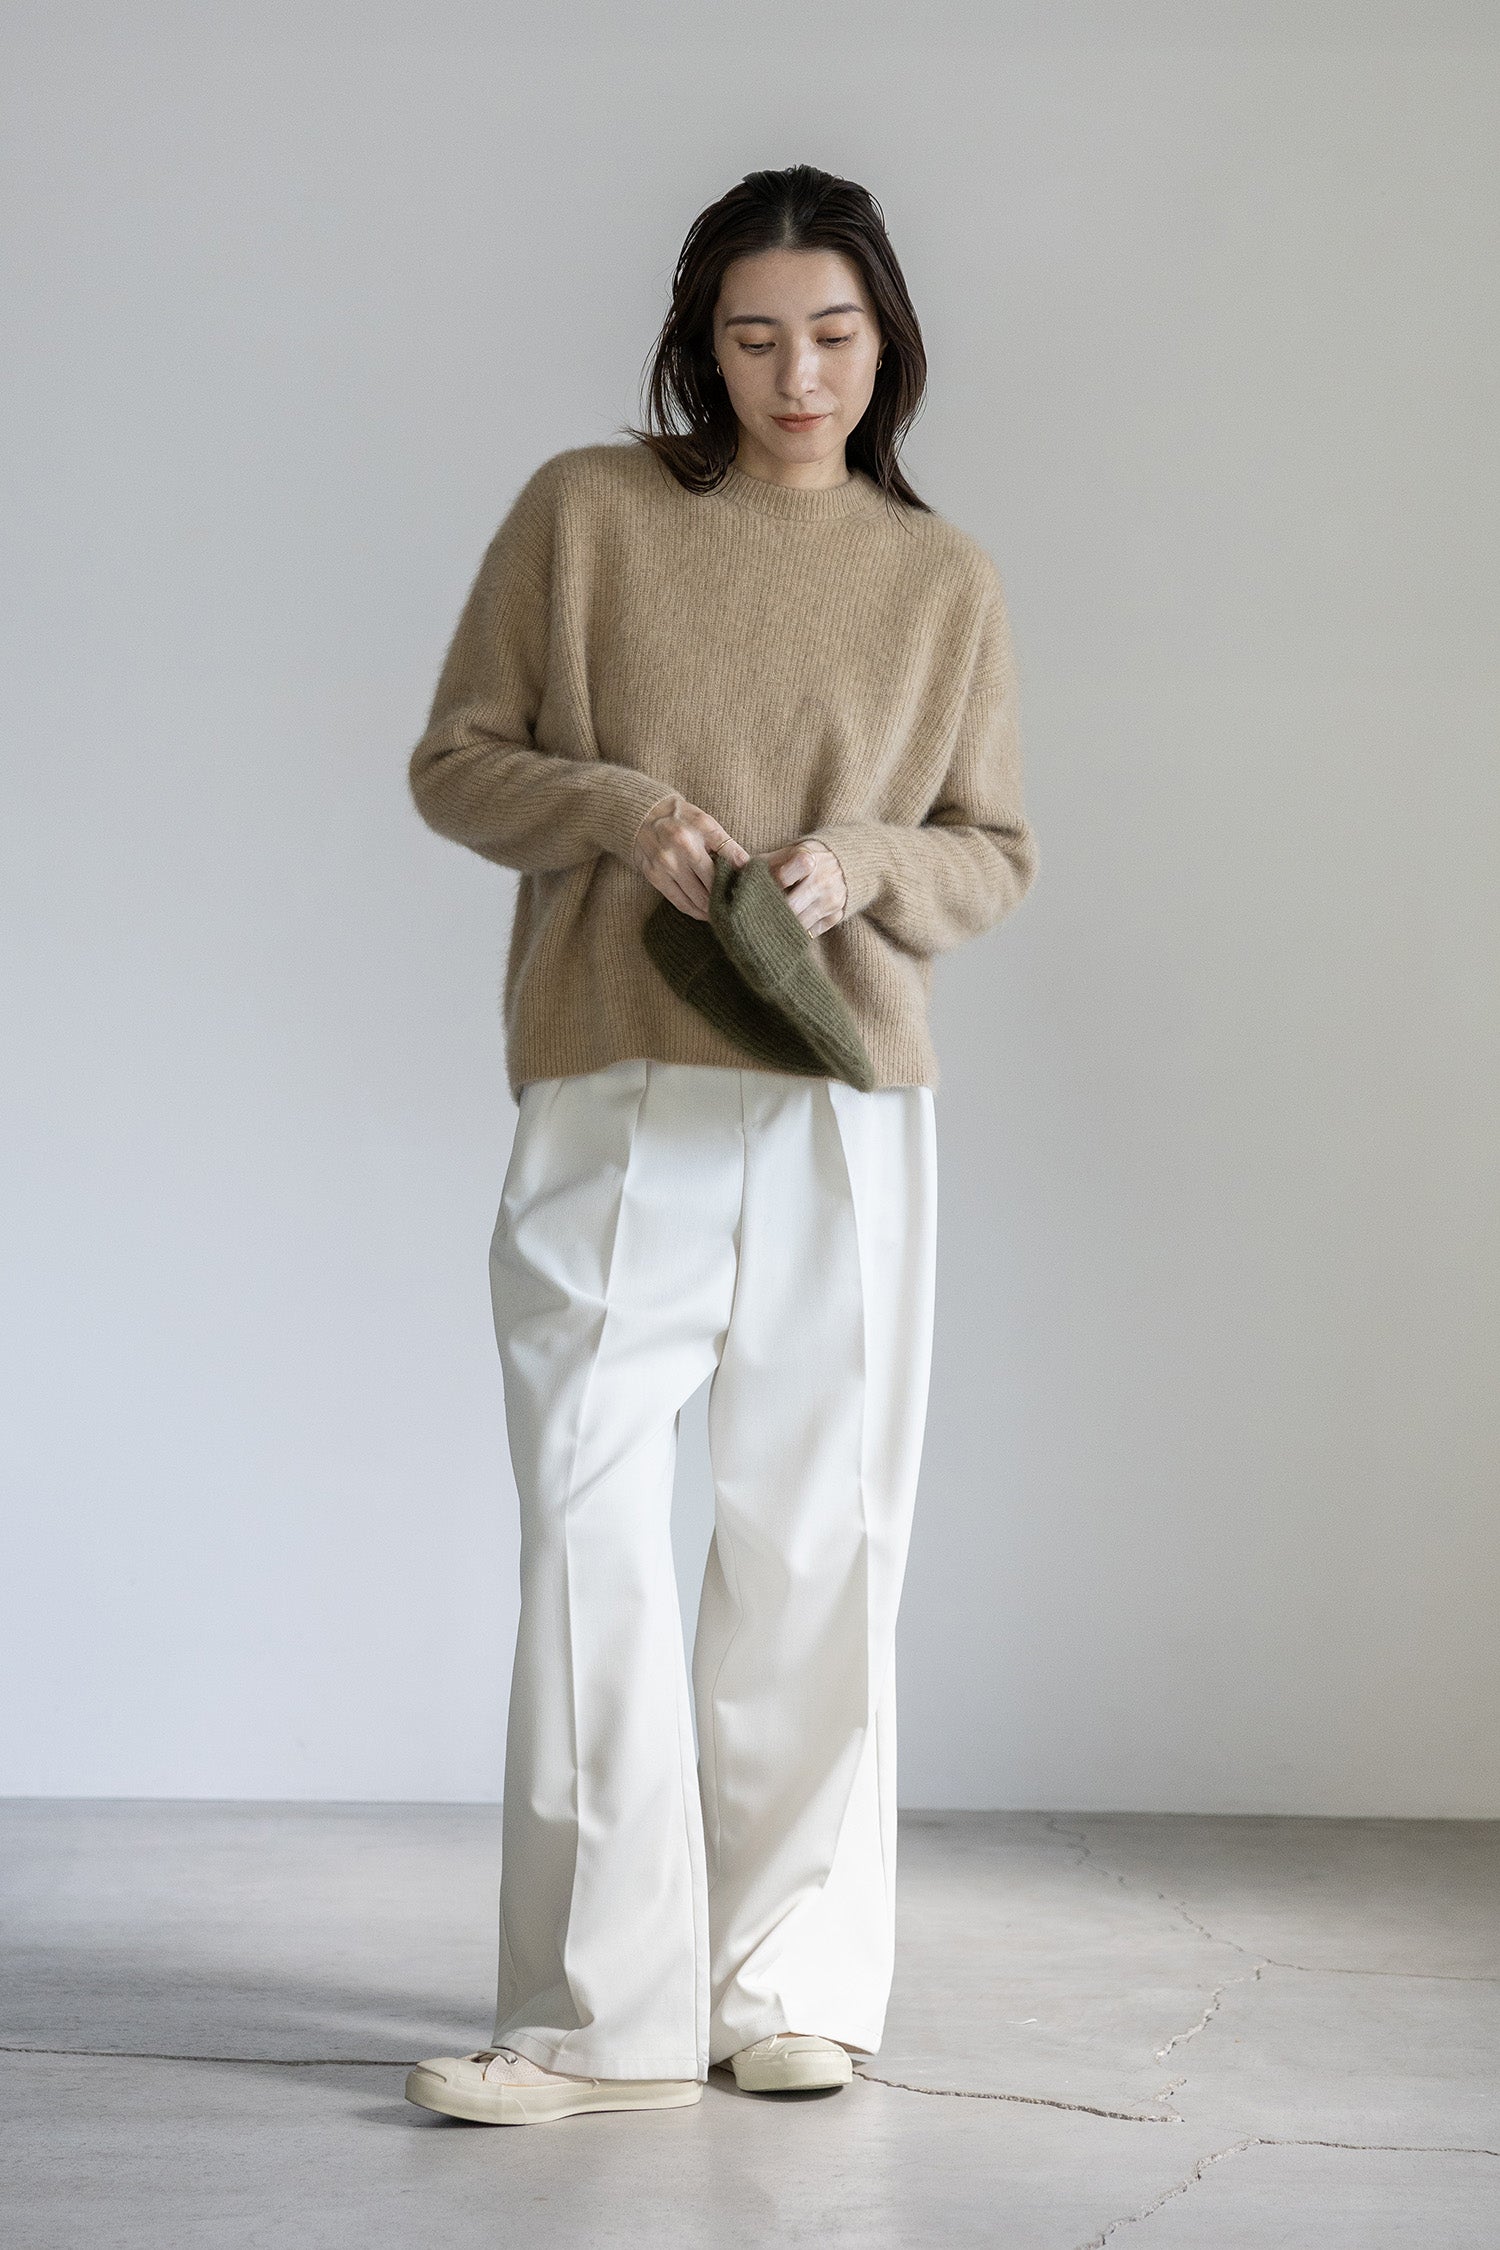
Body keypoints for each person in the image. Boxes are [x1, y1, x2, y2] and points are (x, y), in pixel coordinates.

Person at [401, 163, 1038, 2128]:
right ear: (703, 344)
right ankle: (596, 2018)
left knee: (819, 1540)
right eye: (755, 337)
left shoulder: (941, 577)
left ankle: (792, 1989)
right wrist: (617, 808)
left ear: (887, 342)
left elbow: (995, 852)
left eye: (832, 334)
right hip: (618, 1078)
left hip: (847, 1097)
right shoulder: (585, 514)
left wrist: (863, 861)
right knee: (589, 1518)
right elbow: (456, 764)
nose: (797, 375)